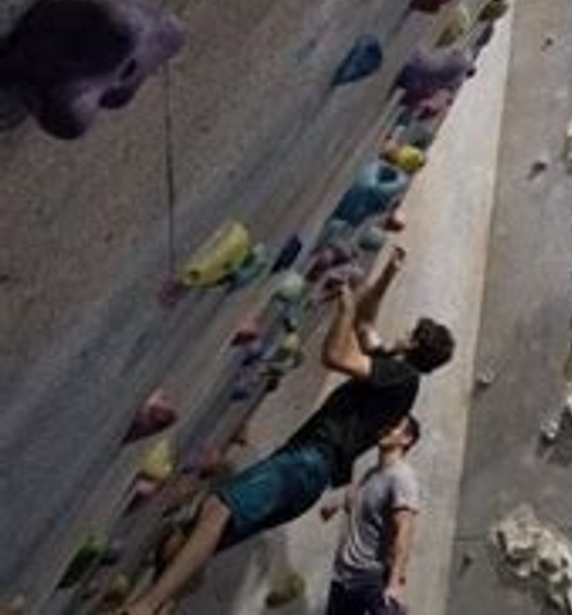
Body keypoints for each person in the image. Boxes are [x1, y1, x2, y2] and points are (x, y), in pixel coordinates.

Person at [123, 247, 455, 615]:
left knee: (217, 509)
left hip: (308, 462)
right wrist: (388, 274)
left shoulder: (400, 376)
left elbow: (336, 356)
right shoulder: (398, 380)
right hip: (310, 473)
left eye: (408, 332)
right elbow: (366, 325)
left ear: (412, 345)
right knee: (182, 543)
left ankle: (144, 606)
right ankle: (163, 602)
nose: (399, 333)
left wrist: (343, 310)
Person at [321, 414, 423, 615]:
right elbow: (358, 498)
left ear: (406, 439)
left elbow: (405, 529)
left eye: (394, 426)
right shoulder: (371, 474)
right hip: (343, 579)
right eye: (387, 423)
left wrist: (394, 583)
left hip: (369, 580)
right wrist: (338, 503)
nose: (386, 427)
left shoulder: (402, 477)